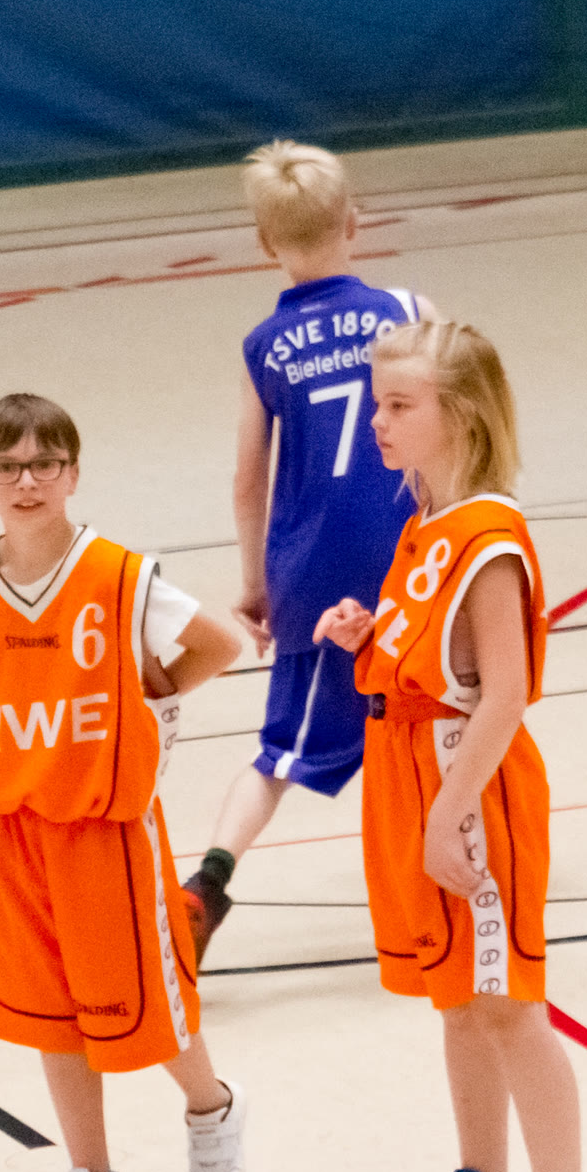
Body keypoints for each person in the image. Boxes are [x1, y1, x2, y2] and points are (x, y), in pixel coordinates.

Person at [314, 321, 587, 1172]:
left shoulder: (487, 537)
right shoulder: (424, 522)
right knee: (457, 1002)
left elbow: (504, 692)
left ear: (462, 415)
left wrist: (448, 813)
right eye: (378, 403)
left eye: (400, 405)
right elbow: (434, 661)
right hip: (412, 779)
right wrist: (368, 634)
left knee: (508, 1006)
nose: (378, 421)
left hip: (466, 788)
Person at [0, 393, 248, 1172]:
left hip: (104, 822)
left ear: (73, 473)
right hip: (11, 823)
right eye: (6, 467)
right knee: (50, 1012)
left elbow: (221, 642)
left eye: (44, 464)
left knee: (142, 998)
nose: (26, 482)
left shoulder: (117, 576)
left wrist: (149, 696)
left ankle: (212, 1109)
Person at [182, 140, 438, 963]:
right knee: (440, 712)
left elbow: (247, 479)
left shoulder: (264, 345)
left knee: (281, 753)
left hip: (313, 571)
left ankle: (208, 881)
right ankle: (452, 865)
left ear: (266, 243)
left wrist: (256, 584)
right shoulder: (405, 309)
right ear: (354, 222)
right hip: (410, 554)